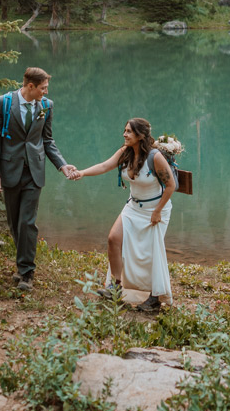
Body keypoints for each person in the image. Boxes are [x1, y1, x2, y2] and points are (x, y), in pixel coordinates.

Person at [0, 67, 78, 291]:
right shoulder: (3, 103)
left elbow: (47, 141)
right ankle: (22, 265)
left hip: (34, 171)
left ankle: (27, 272)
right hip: (10, 170)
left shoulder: (46, 106)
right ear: (30, 86)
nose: (45, 93)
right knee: (14, 222)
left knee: (27, 222)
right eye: (43, 88)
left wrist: (62, 165)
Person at [71, 117, 175, 311]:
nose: (124, 134)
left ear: (140, 136)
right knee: (113, 239)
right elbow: (104, 166)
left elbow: (171, 186)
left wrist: (158, 211)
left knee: (150, 254)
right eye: (125, 130)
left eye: (128, 131)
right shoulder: (125, 153)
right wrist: (82, 173)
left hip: (156, 209)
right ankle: (115, 287)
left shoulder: (155, 157)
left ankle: (154, 298)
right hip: (133, 207)